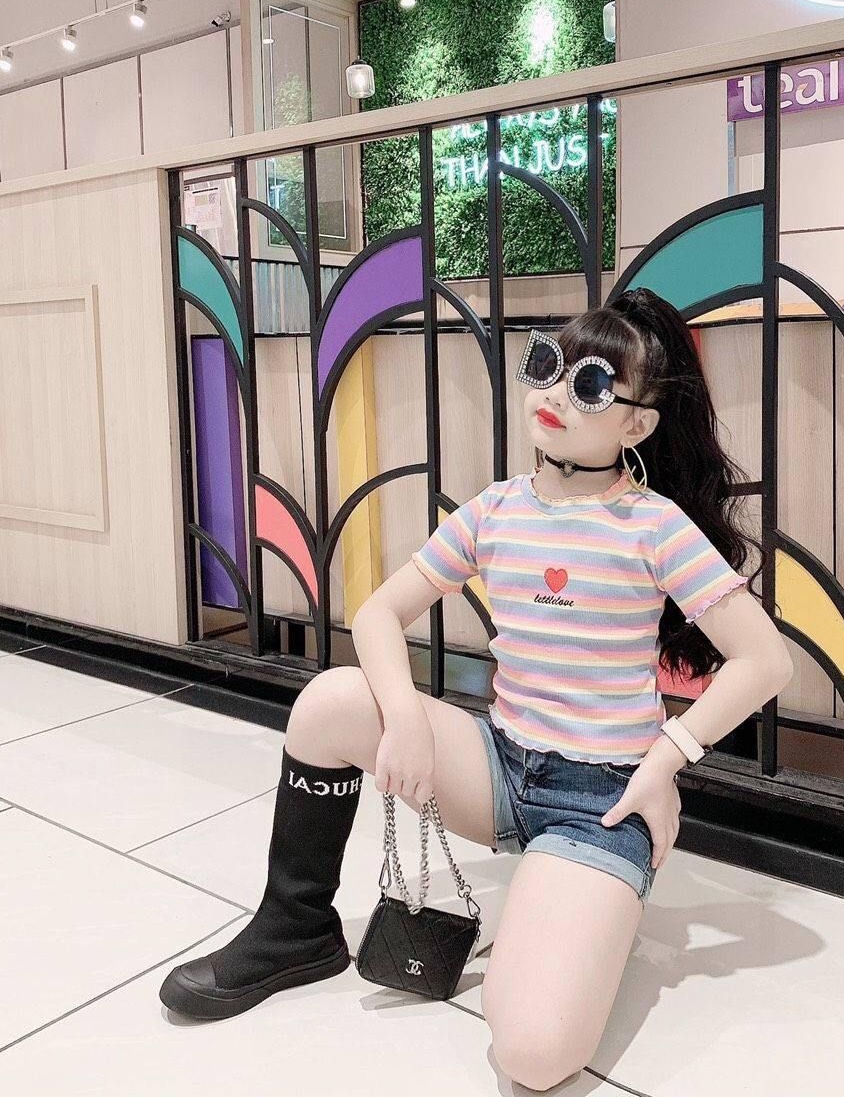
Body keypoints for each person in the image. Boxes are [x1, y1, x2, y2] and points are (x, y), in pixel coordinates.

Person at [159, 288, 793, 1091]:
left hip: (602, 802)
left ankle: (586, 900)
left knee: (533, 1054)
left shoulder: (654, 525)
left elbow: (765, 661)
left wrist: (666, 759)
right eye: (547, 366)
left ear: (636, 426)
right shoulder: (497, 508)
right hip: (499, 768)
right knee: (329, 703)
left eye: (591, 386)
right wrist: (403, 719)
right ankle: (295, 928)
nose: (556, 393)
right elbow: (378, 613)